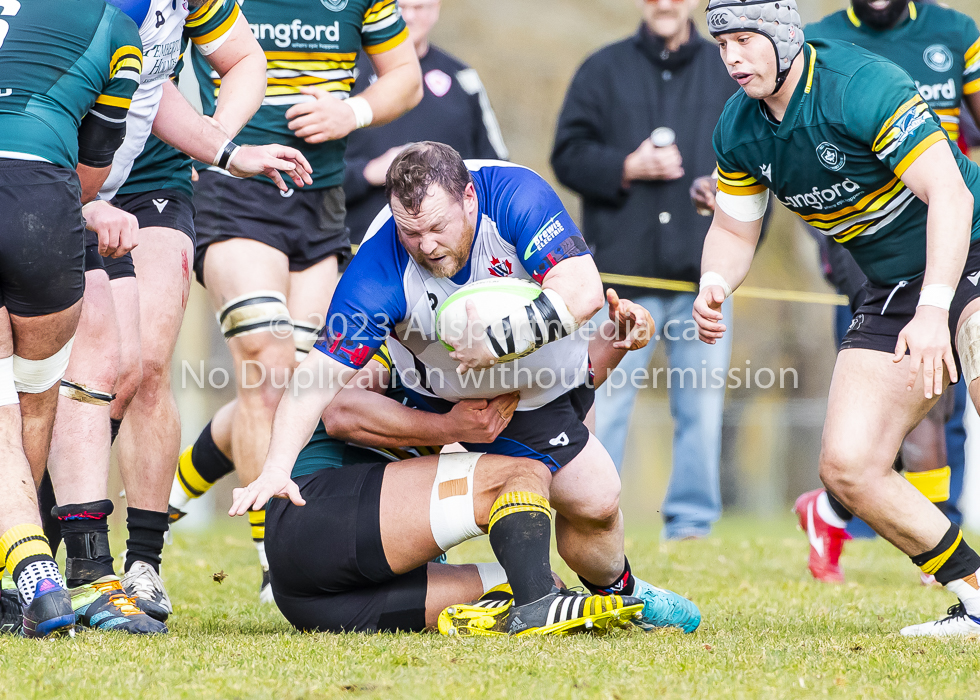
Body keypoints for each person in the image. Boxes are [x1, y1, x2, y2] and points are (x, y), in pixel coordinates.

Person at [231, 142, 703, 634]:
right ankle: (538, 598)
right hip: (448, 403)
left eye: (438, 227)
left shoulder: (515, 196)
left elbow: (582, 291)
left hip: (533, 399)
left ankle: (620, 591)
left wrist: (506, 343)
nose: (427, 244)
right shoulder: (380, 266)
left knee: (600, 500)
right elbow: (319, 381)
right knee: (518, 480)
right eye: (411, 232)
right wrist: (276, 468)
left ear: (469, 197)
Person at [699, 0, 980, 637]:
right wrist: (714, 283)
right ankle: (976, 595)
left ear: (782, 36)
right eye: (722, 45)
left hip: (970, 243)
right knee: (849, 466)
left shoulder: (860, 86)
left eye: (745, 39)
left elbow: (951, 194)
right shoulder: (738, 129)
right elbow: (733, 230)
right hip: (890, 285)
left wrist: (937, 308)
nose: (732, 57)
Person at [40, 0, 313, 629]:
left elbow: (235, 62)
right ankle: (41, 552)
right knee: (67, 374)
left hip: (152, 173)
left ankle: (141, 566)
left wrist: (219, 140)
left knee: (143, 366)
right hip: (59, 164)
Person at [181, 0, 423, 602]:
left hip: (318, 204)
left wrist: (352, 110)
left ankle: (183, 483)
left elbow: (406, 78)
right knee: (266, 357)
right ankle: (274, 553)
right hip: (234, 195)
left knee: (307, 381)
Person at [252, 293, 655, 634]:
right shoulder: (402, 335)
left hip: (317, 604)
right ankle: (540, 606)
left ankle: (538, 597)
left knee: (537, 578)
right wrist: (446, 427)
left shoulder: (491, 352)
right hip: (316, 521)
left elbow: (559, 393)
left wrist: (616, 340)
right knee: (521, 473)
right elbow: (340, 410)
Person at [792, 0, 980, 584]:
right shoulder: (816, 43)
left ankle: (830, 513)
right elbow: (776, 155)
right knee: (921, 397)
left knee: (942, 405)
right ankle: (945, 551)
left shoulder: (955, 33)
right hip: (867, 255)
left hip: (952, 223)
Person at [551, 0, 737, 540]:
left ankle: (692, 527)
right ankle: (591, 515)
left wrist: (722, 200)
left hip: (704, 282)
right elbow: (566, 155)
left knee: (701, 412)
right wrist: (624, 166)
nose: (665, 3)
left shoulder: (727, 72)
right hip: (616, 288)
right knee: (600, 409)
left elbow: (761, 166)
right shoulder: (601, 68)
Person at [0, 0, 142, 637]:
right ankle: (20, 586)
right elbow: (91, 171)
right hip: (44, 202)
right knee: (33, 399)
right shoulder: (119, 32)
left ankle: (33, 575)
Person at [343, 0, 507, 245]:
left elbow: (496, 169)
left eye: (419, 7)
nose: (408, 16)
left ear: (436, 9)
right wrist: (367, 172)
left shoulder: (463, 78)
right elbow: (305, 171)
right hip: (359, 248)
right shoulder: (345, 73)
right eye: (399, 7)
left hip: (450, 254)